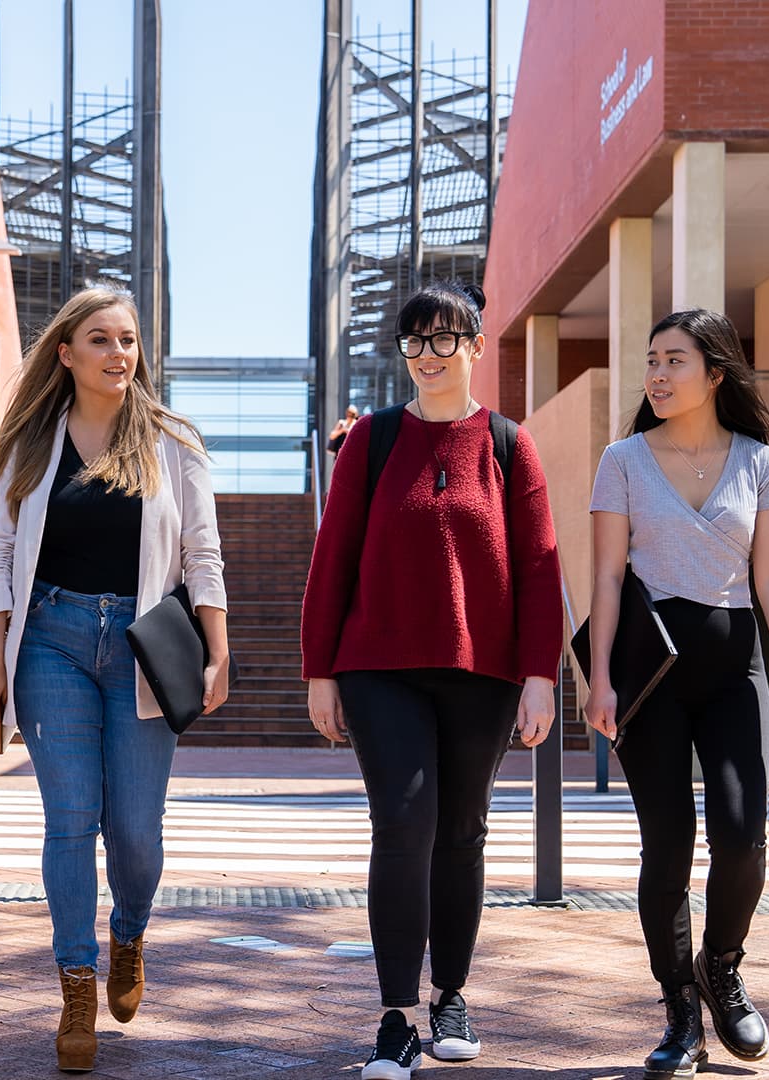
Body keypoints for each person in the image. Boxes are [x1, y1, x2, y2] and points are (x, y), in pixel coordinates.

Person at [300, 281, 561, 1080]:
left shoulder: (511, 445)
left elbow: (540, 571)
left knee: (464, 831)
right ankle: (396, 1018)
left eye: (445, 339)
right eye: (415, 341)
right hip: (379, 670)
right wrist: (320, 672)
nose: (429, 356)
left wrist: (540, 675)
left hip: (482, 672)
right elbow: (331, 562)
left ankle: (450, 993)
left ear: (476, 346)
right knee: (404, 825)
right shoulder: (372, 442)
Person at [0, 287, 229, 1073]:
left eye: (128, 339)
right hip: (51, 639)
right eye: (101, 339)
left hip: (142, 649)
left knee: (137, 835)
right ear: (67, 354)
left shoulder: (172, 441)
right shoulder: (31, 442)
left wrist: (217, 650)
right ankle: (75, 983)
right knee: (71, 819)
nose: (120, 353)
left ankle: (130, 934)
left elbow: (202, 553)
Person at [582, 309, 769, 1079]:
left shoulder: (758, 462)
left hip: (735, 673)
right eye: (651, 360)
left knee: (744, 841)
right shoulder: (622, 459)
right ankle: (681, 1012)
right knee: (669, 848)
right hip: (651, 678)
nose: (656, 374)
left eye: (673, 360)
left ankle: (723, 969)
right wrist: (602, 679)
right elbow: (608, 576)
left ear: (715, 373)